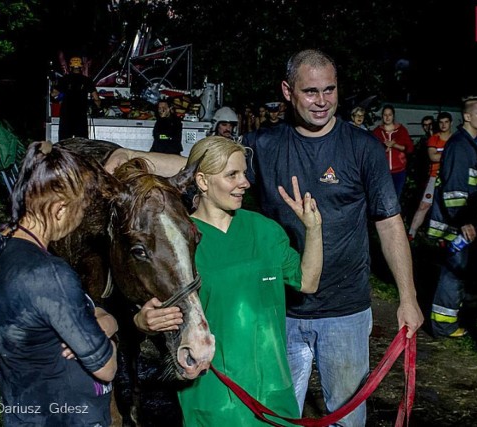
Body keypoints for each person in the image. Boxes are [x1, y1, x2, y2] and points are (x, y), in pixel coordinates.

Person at [242, 48, 423, 426]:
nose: (322, 101)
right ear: (288, 92)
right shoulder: (262, 146)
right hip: (281, 308)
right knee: (278, 417)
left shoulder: (363, 148)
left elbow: (389, 224)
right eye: (311, 91)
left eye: (330, 89)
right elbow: (211, 179)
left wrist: (408, 298)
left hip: (346, 311)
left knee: (347, 417)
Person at [134, 135, 323, 426]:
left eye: (244, 174)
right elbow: (150, 311)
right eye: (232, 175)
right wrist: (142, 321)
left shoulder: (265, 230)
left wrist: (314, 230)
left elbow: (308, 282)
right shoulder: (181, 241)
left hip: (272, 391)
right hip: (213, 393)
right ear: (203, 181)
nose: (244, 183)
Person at [0, 140, 118, 426]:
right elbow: (107, 368)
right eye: (80, 209)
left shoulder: (2, 244)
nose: (80, 218)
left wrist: (105, 323)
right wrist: (107, 338)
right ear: (59, 209)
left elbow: (83, 314)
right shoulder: (48, 273)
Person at [427, 96, 477, 338]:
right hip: (454, 225)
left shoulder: (473, 144)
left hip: (464, 222)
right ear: (467, 116)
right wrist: (463, 222)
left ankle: (450, 319)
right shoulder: (460, 146)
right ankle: (443, 325)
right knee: (453, 271)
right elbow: (453, 190)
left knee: (459, 270)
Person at [407, 111, 453, 241]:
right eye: (441, 122)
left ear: (451, 123)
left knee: (447, 207)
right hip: (434, 176)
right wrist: (450, 155)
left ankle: (443, 237)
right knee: (424, 205)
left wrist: (443, 156)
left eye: (446, 122)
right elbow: (433, 156)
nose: (444, 125)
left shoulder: (455, 139)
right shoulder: (434, 139)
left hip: (450, 177)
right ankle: (411, 233)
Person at [51, 56, 102, 140]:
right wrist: (98, 106)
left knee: (64, 142)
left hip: (66, 116)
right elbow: (96, 98)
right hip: (80, 116)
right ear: (81, 67)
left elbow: (53, 94)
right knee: (82, 142)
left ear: (70, 67)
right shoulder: (87, 80)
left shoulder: (64, 79)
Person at [372, 104, 415, 199]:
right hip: (383, 172)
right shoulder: (377, 132)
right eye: (385, 115)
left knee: (396, 198)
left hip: (399, 171)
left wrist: (394, 145)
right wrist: (383, 148)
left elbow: (409, 148)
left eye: (390, 115)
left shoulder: (401, 130)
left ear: (393, 116)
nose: (387, 117)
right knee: (383, 198)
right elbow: (372, 151)